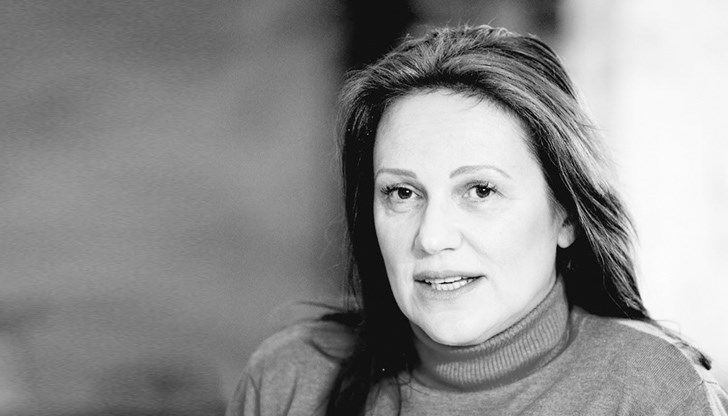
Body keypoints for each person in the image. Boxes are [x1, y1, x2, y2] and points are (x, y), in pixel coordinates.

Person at [226, 25, 728, 416]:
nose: (432, 237)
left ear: (565, 216)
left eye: (480, 191)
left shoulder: (652, 391)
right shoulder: (290, 378)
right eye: (402, 193)